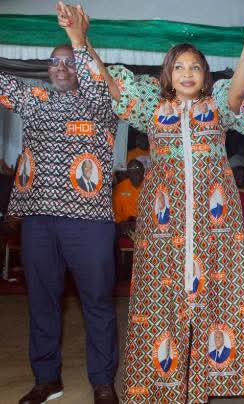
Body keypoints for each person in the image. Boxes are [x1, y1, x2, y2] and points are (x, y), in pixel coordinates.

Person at [84, 5, 244, 402]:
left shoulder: (217, 103)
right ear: (167, 73)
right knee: (161, 301)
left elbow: (238, 91)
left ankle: (209, 382)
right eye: (179, 67)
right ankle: (162, 384)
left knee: (215, 299)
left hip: (214, 222)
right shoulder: (151, 104)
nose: (187, 73)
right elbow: (113, 86)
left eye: (195, 67)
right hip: (164, 223)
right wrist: (83, 42)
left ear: (205, 75)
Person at [1, 3, 119, 403]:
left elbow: (97, 81)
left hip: (90, 222)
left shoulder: (101, 104)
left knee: (97, 303)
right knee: (42, 302)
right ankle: (46, 379)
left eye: (69, 62)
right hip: (38, 221)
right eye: (55, 62)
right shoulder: (34, 99)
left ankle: (102, 382)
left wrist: (77, 37)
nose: (62, 68)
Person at [113, 159, 144, 235]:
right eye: (132, 172)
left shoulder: (150, 186)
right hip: (126, 228)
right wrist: (124, 224)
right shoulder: (119, 189)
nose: (136, 175)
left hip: (146, 226)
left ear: (143, 171)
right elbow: (116, 215)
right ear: (128, 174)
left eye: (139, 171)